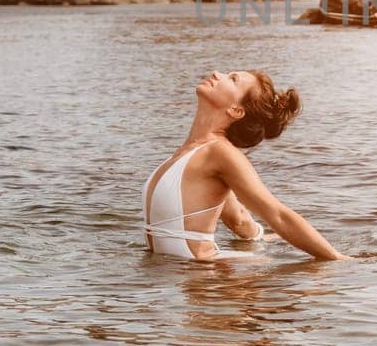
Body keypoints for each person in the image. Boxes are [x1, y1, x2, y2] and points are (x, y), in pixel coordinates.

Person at [142, 69, 348, 262]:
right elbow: (238, 220)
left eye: (232, 79)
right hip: (174, 284)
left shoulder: (220, 153)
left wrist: (337, 259)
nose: (216, 73)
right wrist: (261, 236)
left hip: (202, 281)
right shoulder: (188, 152)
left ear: (236, 110)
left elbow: (278, 214)